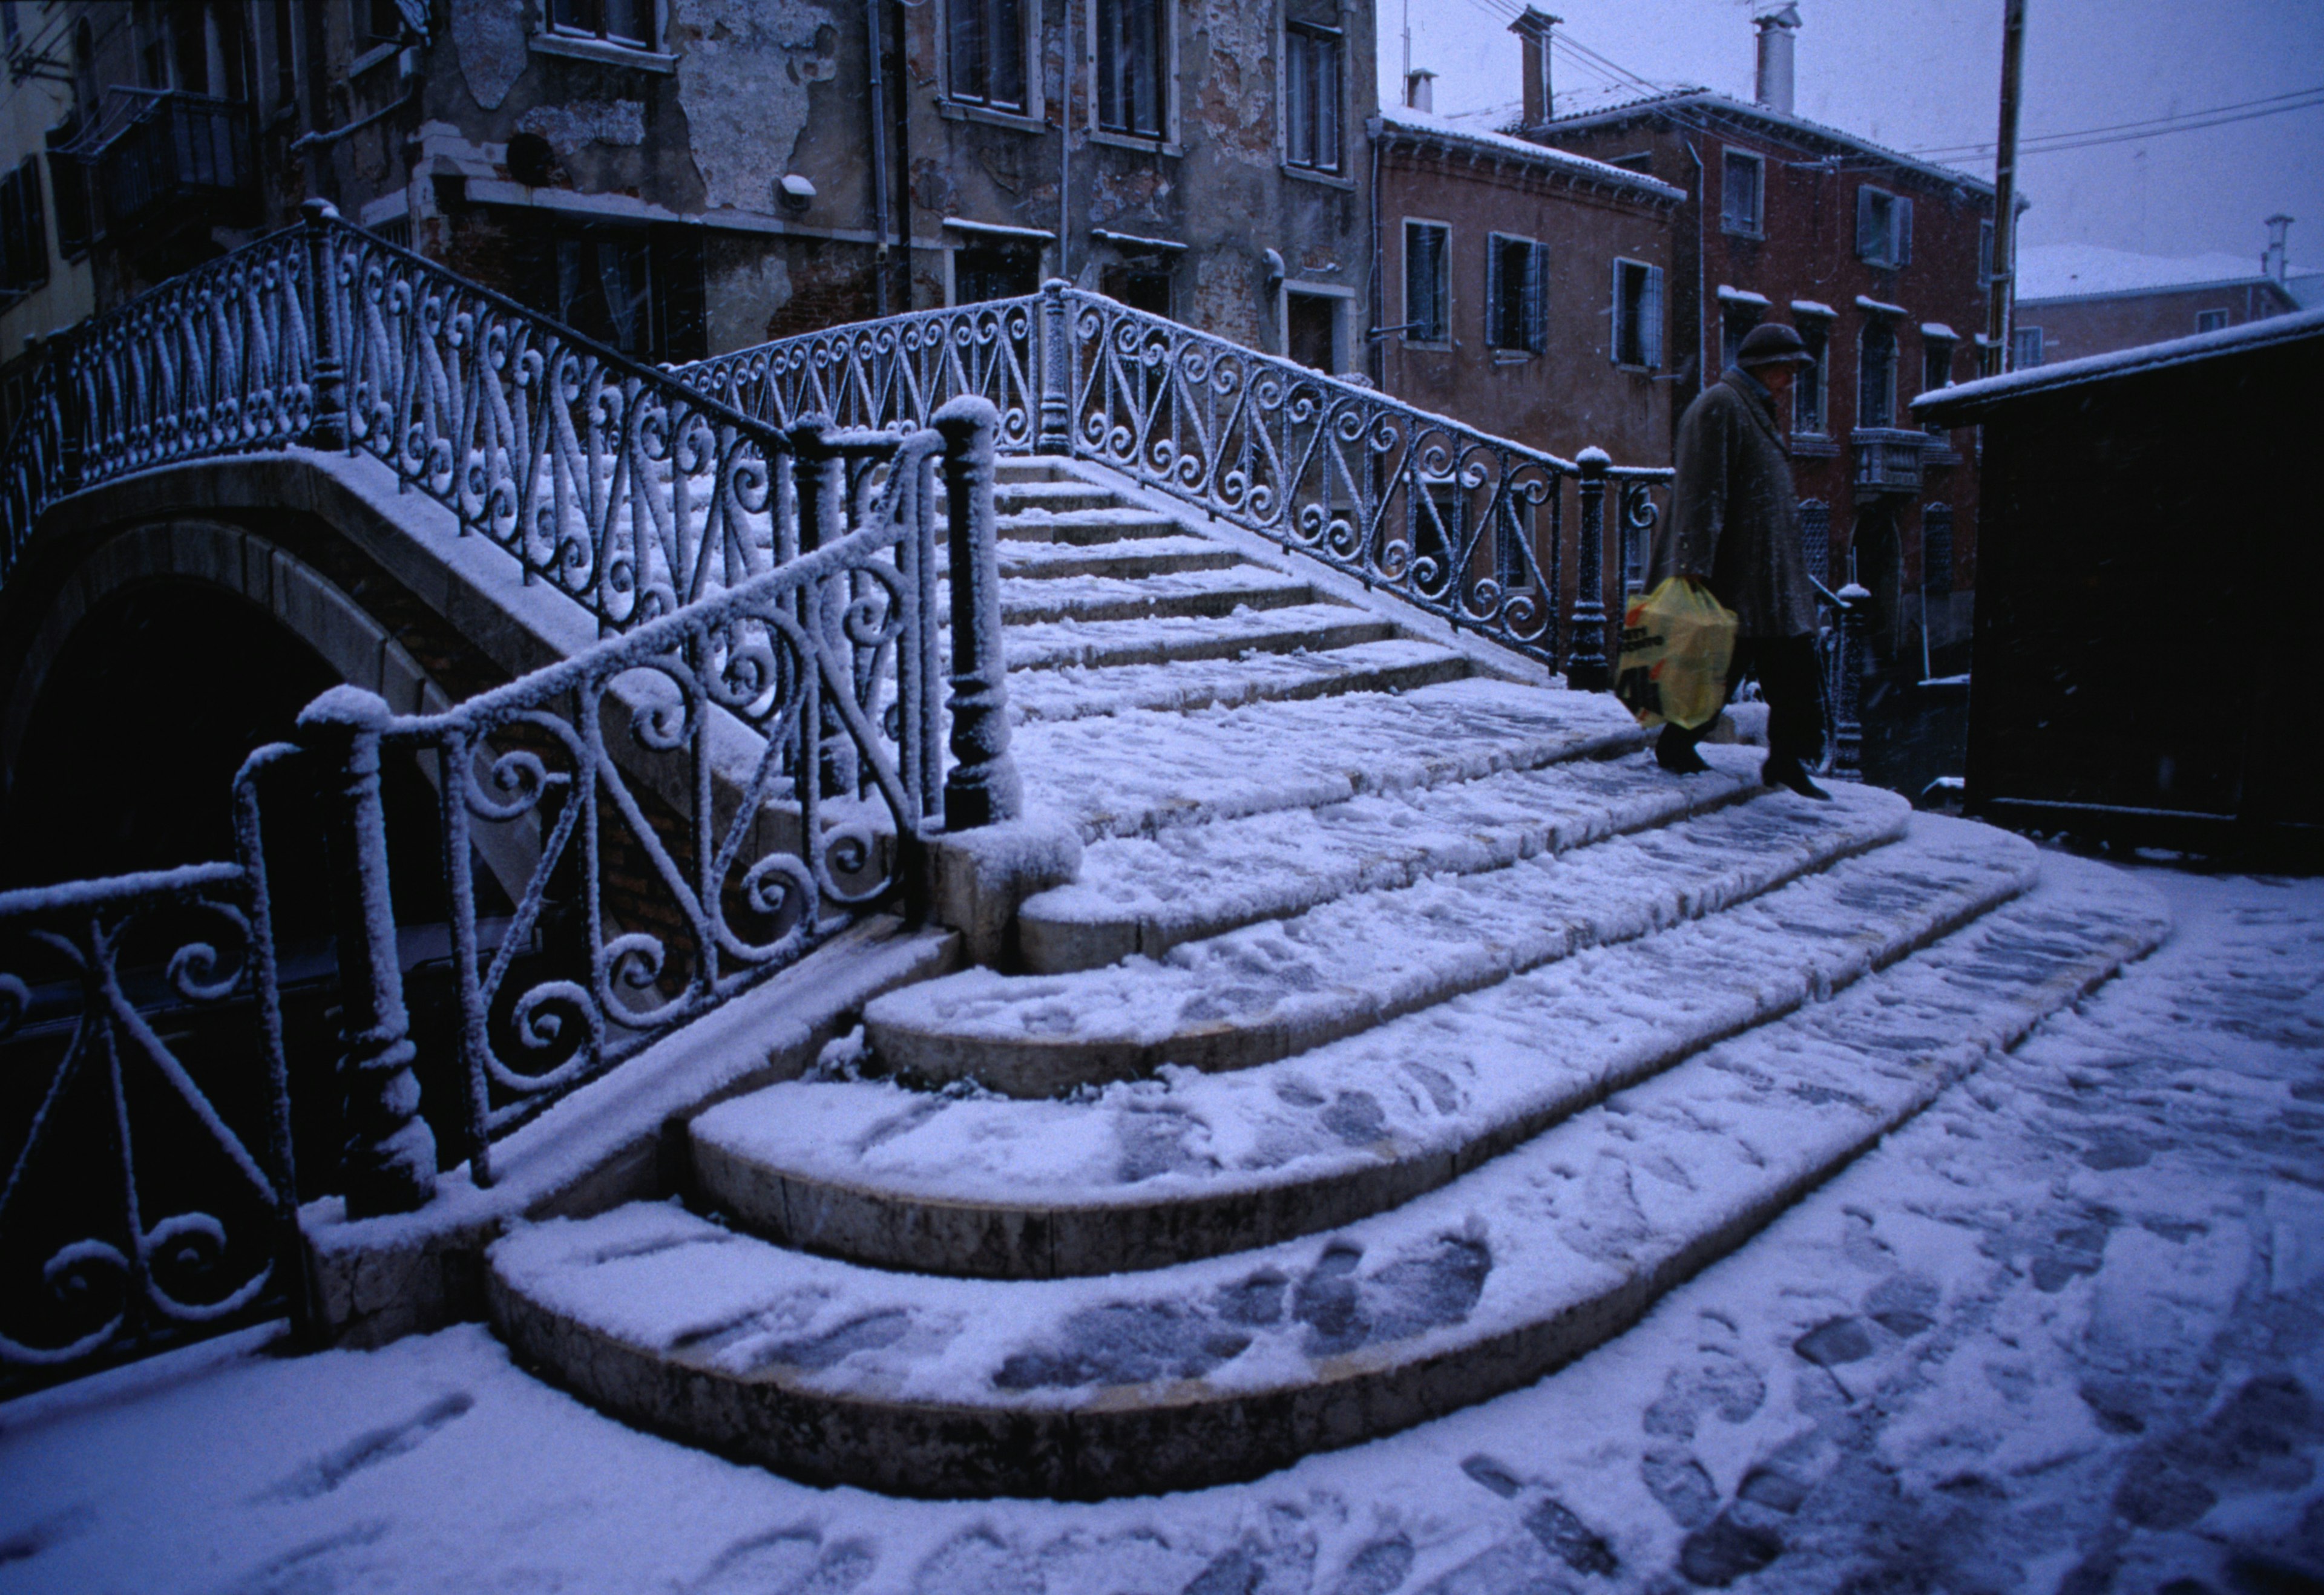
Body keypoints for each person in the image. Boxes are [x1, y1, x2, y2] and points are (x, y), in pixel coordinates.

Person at [1649, 321, 1831, 800]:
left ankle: (1787, 760)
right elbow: (1699, 492)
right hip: (1736, 574)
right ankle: (1678, 744)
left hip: (1766, 576)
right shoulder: (1721, 407)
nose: (1791, 379)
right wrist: (1693, 565)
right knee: (1719, 670)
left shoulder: (1751, 408)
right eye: (1786, 369)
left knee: (1787, 669)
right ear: (1762, 367)